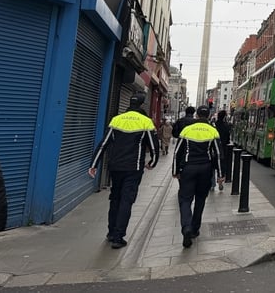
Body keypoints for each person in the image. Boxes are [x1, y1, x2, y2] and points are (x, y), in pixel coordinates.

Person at [88, 93, 159, 249]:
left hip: (115, 166)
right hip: (133, 168)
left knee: (115, 198)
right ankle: (119, 236)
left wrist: (94, 164)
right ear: (141, 105)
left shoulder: (116, 120)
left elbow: (103, 143)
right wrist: (152, 162)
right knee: (127, 200)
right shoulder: (146, 122)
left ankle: (111, 232)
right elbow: (153, 146)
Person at [172, 105, 224, 248]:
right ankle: (195, 229)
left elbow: (177, 153)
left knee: (185, 199)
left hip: (188, 168)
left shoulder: (187, 130)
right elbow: (219, 155)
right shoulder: (213, 131)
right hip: (205, 169)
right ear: (208, 116)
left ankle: (186, 227)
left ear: (196, 116)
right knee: (200, 199)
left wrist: (175, 171)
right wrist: (220, 175)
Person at [213, 110, 231, 191]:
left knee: (212, 166)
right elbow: (228, 139)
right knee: (221, 165)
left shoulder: (214, 125)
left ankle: (212, 184)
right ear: (224, 117)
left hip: (213, 148)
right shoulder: (226, 126)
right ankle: (220, 181)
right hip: (223, 148)